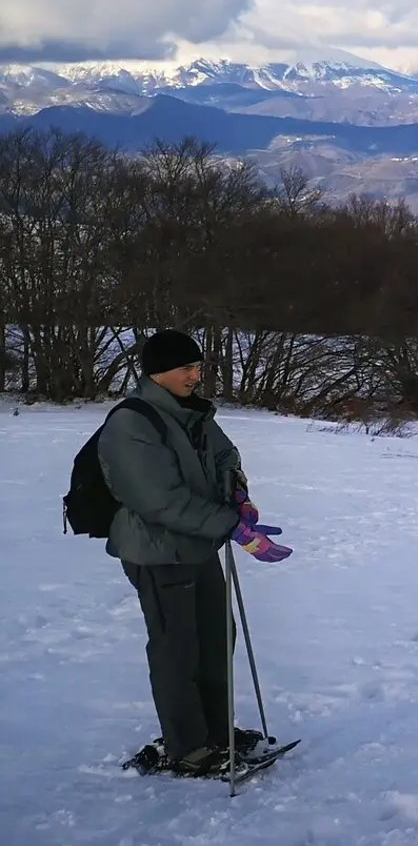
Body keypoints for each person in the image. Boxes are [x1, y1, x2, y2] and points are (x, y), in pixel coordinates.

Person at [103, 329, 290, 777]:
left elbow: (226, 456)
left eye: (197, 367)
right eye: (186, 368)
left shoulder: (194, 414)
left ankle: (215, 731)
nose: (195, 375)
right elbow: (158, 500)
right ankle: (188, 747)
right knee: (177, 649)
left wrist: (238, 496)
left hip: (199, 546)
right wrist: (232, 528)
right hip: (158, 553)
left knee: (214, 638)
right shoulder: (133, 423)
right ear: (157, 372)